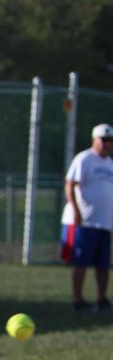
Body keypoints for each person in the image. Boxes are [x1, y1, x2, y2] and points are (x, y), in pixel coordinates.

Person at [63, 123, 113, 312]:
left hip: (104, 223)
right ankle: (78, 300)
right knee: (81, 262)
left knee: (103, 265)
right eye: (104, 140)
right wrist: (75, 209)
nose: (107, 144)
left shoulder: (110, 164)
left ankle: (101, 299)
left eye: (110, 141)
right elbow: (70, 186)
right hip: (85, 221)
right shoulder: (84, 159)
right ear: (95, 140)